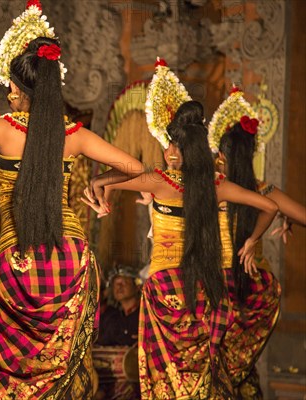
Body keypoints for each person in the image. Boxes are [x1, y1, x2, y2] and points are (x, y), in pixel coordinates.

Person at [0, 2, 145, 397]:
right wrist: (100, 183)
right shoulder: (76, 135)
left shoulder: (3, 129)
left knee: (17, 368)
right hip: (71, 256)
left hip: (18, 259)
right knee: (62, 364)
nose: (10, 94)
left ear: (17, 88)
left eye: (11, 88)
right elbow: (136, 167)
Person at [84, 67, 278, 398]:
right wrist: (252, 240)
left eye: (175, 146)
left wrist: (99, 192)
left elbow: (105, 179)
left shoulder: (162, 181)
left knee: (165, 375)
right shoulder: (217, 185)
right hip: (205, 287)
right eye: (168, 146)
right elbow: (269, 206)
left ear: (185, 149)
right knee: (203, 372)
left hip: (164, 287)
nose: (171, 153)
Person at [208, 87, 306, 398]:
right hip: (255, 290)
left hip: (216, 291)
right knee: (241, 372)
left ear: (221, 156)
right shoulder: (265, 191)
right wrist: (281, 218)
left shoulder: (214, 189)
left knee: (215, 372)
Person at [94, 265, 142, 400]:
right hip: (109, 379)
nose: (119, 287)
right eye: (115, 284)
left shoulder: (145, 315)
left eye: (124, 283)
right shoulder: (111, 316)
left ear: (137, 286)